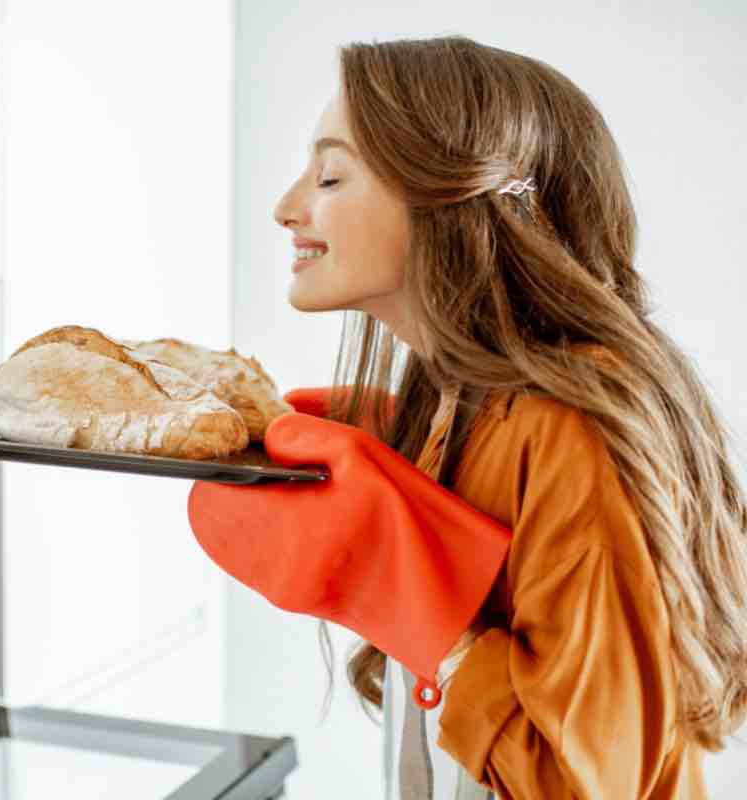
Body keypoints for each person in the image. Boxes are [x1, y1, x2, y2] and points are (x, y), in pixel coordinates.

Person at [186, 36, 747, 799]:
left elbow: (586, 785)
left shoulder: (569, 426)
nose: (288, 208)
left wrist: (427, 613)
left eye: (330, 175)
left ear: (449, 196)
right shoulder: (452, 397)